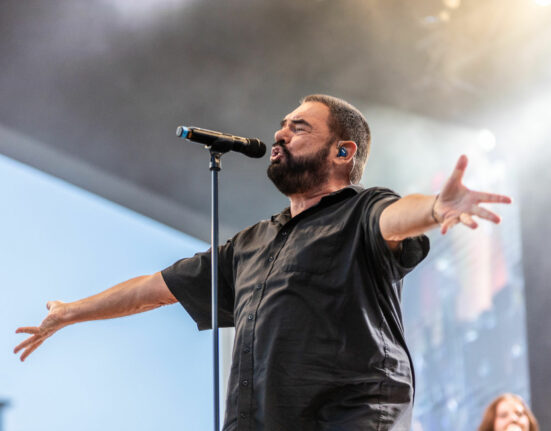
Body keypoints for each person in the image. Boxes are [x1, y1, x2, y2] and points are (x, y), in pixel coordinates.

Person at [14, 95, 512, 430]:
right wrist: (72, 311)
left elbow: (397, 218)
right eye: (281, 125)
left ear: (343, 151)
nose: (279, 134)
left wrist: (435, 209)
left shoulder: (362, 210)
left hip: (349, 416)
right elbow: (153, 289)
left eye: (299, 127)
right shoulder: (250, 244)